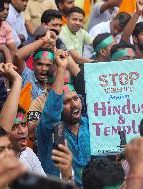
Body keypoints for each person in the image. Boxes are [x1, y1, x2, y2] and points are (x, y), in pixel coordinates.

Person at [37, 50, 90, 186]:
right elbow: (51, 115)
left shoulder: (90, 125)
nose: (74, 104)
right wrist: (61, 68)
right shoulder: (51, 132)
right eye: (66, 102)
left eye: (76, 98)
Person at [14, 30, 56, 100]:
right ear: (33, 64)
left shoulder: (56, 80)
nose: (44, 68)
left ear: (53, 66)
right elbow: (18, 55)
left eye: (48, 65)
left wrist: (54, 45)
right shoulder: (27, 76)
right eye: (40, 64)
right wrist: (44, 40)